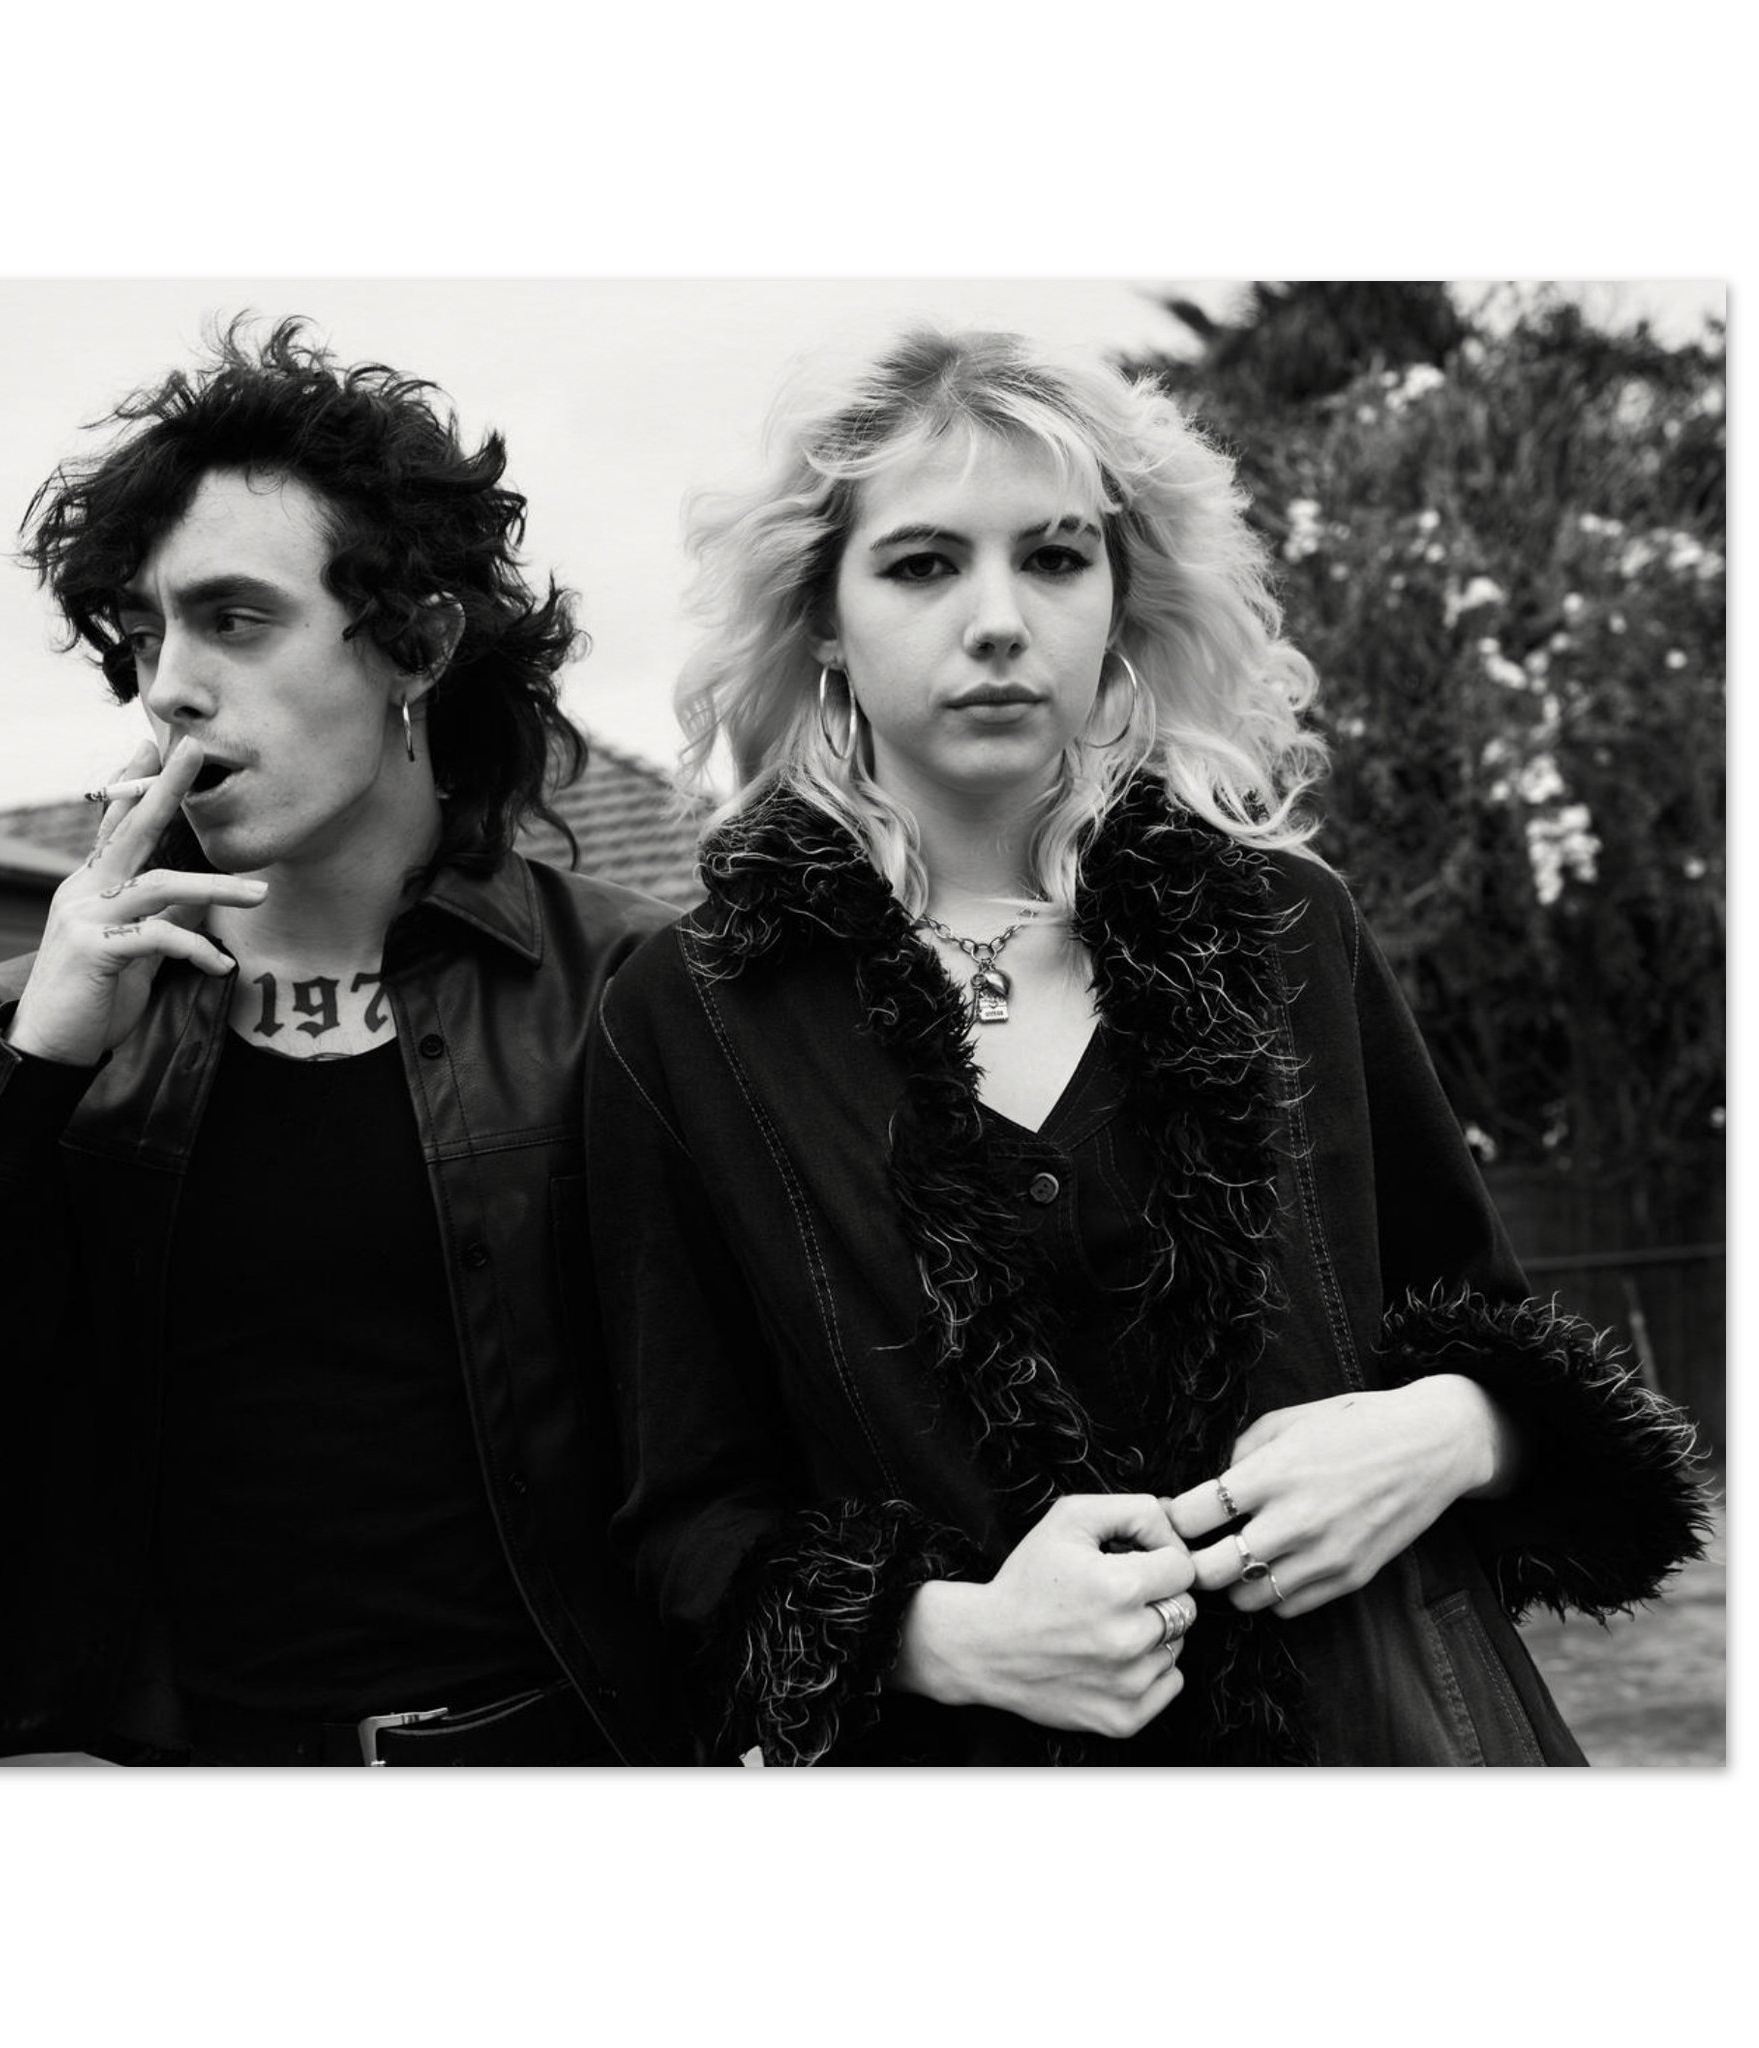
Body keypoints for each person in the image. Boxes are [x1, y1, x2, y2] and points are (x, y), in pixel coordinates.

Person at [587, 325, 1711, 1766]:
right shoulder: (688, 1012)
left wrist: (1445, 1433)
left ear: (1121, 599)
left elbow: (1499, 1339)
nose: (999, 621)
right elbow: (684, 1520)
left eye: (1056, 558)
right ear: (822, 618)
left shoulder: (1287, 930)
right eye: (923, 565)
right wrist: (942, 1635)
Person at [0, 317, 687, 1766]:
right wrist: (38, 1068)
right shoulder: (37, 1019)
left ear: (420, 645)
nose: (169, 685)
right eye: (143, 637)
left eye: (235, 620)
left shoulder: (625, 986)